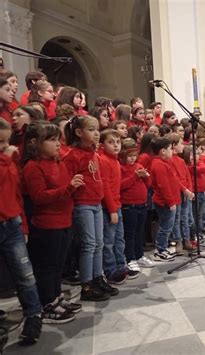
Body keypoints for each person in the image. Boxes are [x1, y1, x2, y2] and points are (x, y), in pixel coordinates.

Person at [22, 122, 82, 324]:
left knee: (58, 265)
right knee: (47, 267)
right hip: (47, 225)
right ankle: (48, 303)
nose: (58, 144)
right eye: (51, 140)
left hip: (64, 220)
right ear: (34, 143)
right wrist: (68, 189)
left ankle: (56, 298)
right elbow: (39, 197)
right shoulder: (33, 167)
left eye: (58, 139)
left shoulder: (58, 162)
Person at [63, 115, 118, 301]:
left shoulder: (93, 154)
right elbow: (67, 182)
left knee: (99, 244)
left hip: (95, 203)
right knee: (88, 245)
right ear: (79, 132)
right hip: (82, 204)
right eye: (91, 130)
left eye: (97, 130)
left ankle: (97, 278)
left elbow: (99, 179)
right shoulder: (72, 156)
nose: (96, 134)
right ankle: (86, 285)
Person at [0, 118, 43, 345]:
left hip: (13, 224)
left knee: (25, 275)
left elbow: (16, 194)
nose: (7, 146)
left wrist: (23, 224)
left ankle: (34, 315)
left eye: (7, 141)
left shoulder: (9, 162)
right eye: (0, 142)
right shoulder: (7, 161)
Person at [99, 129, 137, 283]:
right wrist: (112, 209)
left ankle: (121, 266)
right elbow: (105, 187)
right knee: (109, 241)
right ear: (102, 145)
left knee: (119, 239)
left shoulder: (114, 160)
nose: (115, 145)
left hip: (117, 204)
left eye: (118, 142)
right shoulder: (103, 160)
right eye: (110, 142)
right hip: (109, 207)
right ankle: (111, 270)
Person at [119, 138, 157, 270]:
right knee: (130, 234)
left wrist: (146, 176)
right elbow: (121, 186)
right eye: (129, 156)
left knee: (140, 232)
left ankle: (139, 255)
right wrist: (135, 176)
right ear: (123, 155)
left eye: (134, 156)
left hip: (142, 204)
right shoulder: (121, 167)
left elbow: (149, 184)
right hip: (129, 206)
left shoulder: (138, 166)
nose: (132, 158)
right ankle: (130, 258)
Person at [149, 137, 179, 261]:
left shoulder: (163, 163)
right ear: (163, 151)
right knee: (165, 227)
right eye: (170, 149)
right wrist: (171, 202)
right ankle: (160, 250)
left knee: (167, 226)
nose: (172, 151)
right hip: (164, 202)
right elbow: (163, 186)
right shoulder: (159, 165)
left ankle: (163, 247)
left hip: (167, 201)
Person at [168, 133, 195, 254]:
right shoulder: (170, 160)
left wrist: (189, 189)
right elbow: (174, 178)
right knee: (177, 219)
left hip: (186, 193)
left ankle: (187, 239)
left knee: (186, 217)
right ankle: (178, 240)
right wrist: (184, 189)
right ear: (173, 145)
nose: (183, 146)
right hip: (178, 193)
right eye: (180, 143)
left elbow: (187, 176)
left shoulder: (180, 160)